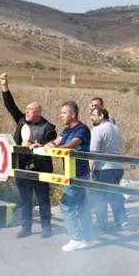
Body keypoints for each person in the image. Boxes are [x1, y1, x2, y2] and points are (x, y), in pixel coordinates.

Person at [0, 73, 57, 239]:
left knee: (43, 200)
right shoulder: (21, 121)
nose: (27, 111)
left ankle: (47, 228)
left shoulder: (48, 127)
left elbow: (50, 142)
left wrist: (37, 142)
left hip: (40, 170)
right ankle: (26, 228)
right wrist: (5, 87)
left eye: (31, 109)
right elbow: (10, 106)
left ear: (39, 113)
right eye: (26, 109)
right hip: (22, 167)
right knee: (25, 200)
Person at [44, 101, 93, 251]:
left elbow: (72, 144)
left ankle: (76, 238)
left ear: (73, 114)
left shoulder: (82, 129)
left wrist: (54, 148)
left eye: (64, 113)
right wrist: (48, 145)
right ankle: (90, 237)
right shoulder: (65, 130)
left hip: (77, 173)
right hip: (71, 172)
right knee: (83, 205)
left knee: (66, 205)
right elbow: (56, 141)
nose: (61, 116)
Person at [89, 105, 128, 232]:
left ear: (101, 116)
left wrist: (90, 171)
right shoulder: (116, 128)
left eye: (94, 115)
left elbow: (93, 153)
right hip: (117, 167)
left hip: (103, 168)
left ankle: (101, 224)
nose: (91, 118)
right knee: (115, 195)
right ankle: (122, 221)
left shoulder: (97, 130)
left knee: (100, 198)